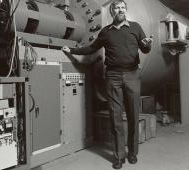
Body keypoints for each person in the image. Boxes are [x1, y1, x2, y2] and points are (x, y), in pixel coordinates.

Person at [62, 0, 152, 169]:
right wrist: (72, 51)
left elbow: (145, 48)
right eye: (118, 7)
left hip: (132, 74)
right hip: (113, 76)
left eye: (123, 8)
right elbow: (91, 48)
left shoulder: (136, 27)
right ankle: (119, 156)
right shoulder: (106, 32)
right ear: (112, 11)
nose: (121, 10)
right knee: (115, 116)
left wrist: (148, 45)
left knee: (133, 115)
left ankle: (132, 153)